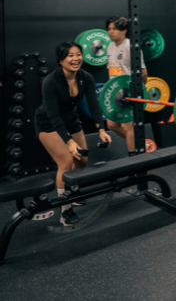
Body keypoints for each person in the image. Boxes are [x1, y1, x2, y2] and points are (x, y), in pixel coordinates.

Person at [35, 42, 112, 226]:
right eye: (70, 55)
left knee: (82, 159)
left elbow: (94, 105)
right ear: (61, 60)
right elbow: (53, 115)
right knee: (66, 161)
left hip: (71, 119)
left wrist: (101, 129)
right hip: (48, 122)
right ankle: (65, 211)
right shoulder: (50, 82)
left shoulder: (86, 77)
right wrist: (68, 141)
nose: (75, 58)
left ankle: (72, 192)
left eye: (78, 54)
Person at [105, 16, 147, 156]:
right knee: (111, 125)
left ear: (124, 30)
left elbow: (143, 73)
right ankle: (141, 144)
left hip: (129, 93)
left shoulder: (131, 47)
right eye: (109, 29)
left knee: (127, 127)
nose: (111, 32)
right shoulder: (110, 47)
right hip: (115, 94)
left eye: (114, 29)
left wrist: (139, 90)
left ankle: (134, 158)